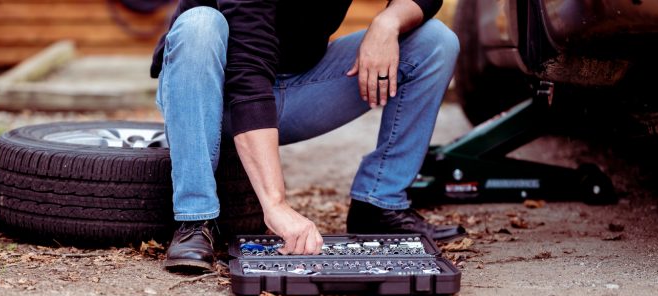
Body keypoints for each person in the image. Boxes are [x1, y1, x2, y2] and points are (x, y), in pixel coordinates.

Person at [151, 0, 459, 272]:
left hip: (300, 85)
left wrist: (388, 22)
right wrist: (276, 204)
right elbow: (247, 74)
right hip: (215, 95)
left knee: (434, 41)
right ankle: (194, 219)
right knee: (200, 24)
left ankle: (379, 203)